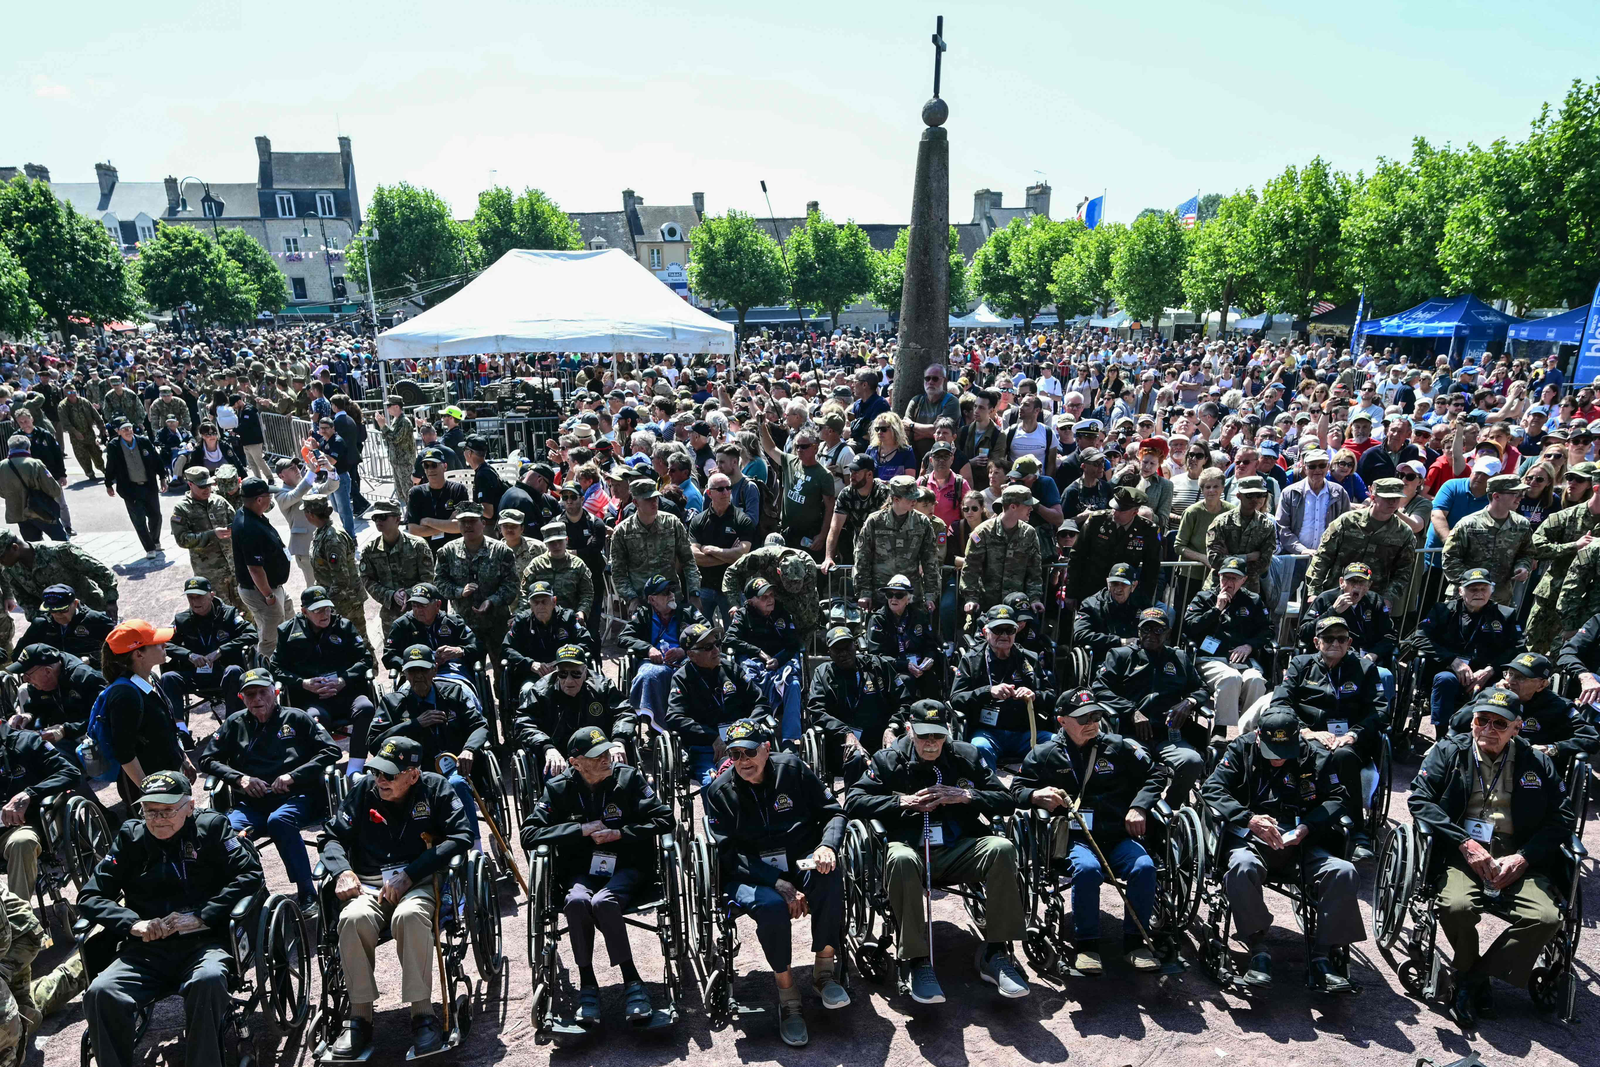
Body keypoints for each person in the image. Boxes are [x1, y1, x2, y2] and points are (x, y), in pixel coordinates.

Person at [1407, 688, 1575, 1028]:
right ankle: (1472, 973)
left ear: (1517, 728)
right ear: (1472, 722)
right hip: (1462, 855)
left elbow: (1563, 817)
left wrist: (1524, 858)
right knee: (1456, 907)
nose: (1489, 729)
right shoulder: (1448, 752)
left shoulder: (1537, 763)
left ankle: (1472, 977)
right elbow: (1420, 801)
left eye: (1500, 723)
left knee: (1546, 918)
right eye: (1483, 720)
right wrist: (1464, 843)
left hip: (1518, 857)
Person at [844, 700, 1029, 1004]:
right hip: (909, 850)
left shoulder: (967, 755)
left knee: (1002, 847)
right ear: (909, 730)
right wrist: (900, 802)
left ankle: (996, 953)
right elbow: (853, 801)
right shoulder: (887, 760)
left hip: (959, 848)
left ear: (948, 732)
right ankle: (917, 961)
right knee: (900, 857)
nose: (931, 744)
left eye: (938, 736)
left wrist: (966, 795)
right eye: (924, 736)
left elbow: (1006, 800)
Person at [79, 770, 265, 1067]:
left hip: (203, 945)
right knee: (102, 992)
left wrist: (203, 916)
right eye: (150, 811)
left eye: (167, 810)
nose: (157, 818)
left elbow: (250, 875)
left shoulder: (211, 828)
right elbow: (90, 896)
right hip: (146, 948)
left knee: (208, 979)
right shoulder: (130, 837)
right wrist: (132, 923)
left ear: (190, 806)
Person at [320, 736, 474, 1059]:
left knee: (411, 916)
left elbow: (462, 836)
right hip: (370, 885)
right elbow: (332, 837)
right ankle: (359, 1019)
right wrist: (342, 872)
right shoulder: (365, 791)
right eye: (377, 771)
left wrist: (413, 873)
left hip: (417, 882)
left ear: (413, 775)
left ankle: (422, 1016)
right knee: (351, 918)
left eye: (389, 775)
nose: (380, 780)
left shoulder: (435, 789)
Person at [703, 719, 849, 1046]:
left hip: (799, 859)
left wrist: (827, 846)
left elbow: (833, 813)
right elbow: (727, 855)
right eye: (735, 754)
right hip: (750, 872)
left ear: (766, 749)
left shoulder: (793, 769)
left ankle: (824, 974)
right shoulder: (719, 791)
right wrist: (778, 883)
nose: (743, 761)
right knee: (770, 906)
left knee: (828, 875)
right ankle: (788, 997)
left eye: (750, 752)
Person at [1202, 707, 1363, 994]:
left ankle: (1323, 956)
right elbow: (1213, 789)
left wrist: (1308, 828)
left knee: (1343, 871)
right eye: (1271, 750)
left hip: (1301, 844)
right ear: (1258, 737)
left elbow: (1338, 797)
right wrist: (1248, 818)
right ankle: (1258, 947)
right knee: (1240, 867)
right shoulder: (1240, 748)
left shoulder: (1313, 754)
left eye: (1284, 750)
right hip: (1250, 840)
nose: (1277, 758)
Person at [521, 725, 673, 1029]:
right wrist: (579, 830)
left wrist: (622, 833)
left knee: (605, 902)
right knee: (576, 901)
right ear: (575, 761)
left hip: (628, 867)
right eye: (596, 756)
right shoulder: (558, 788)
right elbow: (529, 833)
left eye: (606, 751)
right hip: (581, 870)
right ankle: (588, 985)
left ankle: (633, 981)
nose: (606, 758)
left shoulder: (627, 778)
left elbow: (664, 818)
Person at [1011, 692, 1170, 973]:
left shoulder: (1118, 746)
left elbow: (1157, 772)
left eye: (1096, 716)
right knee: (1086, 869)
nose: (1093, 722)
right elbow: (1016, 789)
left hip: (1117, 834)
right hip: (1075, 838)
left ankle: (1136, 943)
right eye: (1083, 718)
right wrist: (1036, 794)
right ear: (1062, 721)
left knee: (1144, 866)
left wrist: (1140, 806)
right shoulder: (1045, 753)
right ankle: (1087, 946)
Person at [1246, 615, 1388, 860]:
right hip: (1308, 735)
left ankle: (1356, 832)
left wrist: (1354, 734)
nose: (1335, 643)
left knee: (1342, 755)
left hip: (1350, 740)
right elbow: (1281, 702)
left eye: (1341, 639)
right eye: (1328, 638)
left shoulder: (1365, 668)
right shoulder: (1301, 664)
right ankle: (1302, 819)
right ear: (1316, 641)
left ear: (1349, 642)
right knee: (1306, 752)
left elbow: (1380, 710)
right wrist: (1306, 731)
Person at [196, 667, 339, 908]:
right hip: (252, 803)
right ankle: (253, 891)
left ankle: (307, 891)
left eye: (263, 692)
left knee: (279, 821)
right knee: (226, 830)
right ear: (242, 698)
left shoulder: (296, 718)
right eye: (250, 695)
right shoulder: (235, 723)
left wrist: (293, 776)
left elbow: (331, 750)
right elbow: (207, 760)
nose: (257, 699)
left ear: (275, 692)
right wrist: (239, 778)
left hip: (297, 797)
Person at [369, 645, 489, 844]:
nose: (418, 676)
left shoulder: (453, 693)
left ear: (434, 670)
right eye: (412, 671)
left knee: (458, 783)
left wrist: (469, 749)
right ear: (405, 674)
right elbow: (374, 743)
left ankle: (474, 846)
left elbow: (480, 726)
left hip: (455, 766)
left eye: (423, 670)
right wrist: (414, 724)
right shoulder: (392, 704)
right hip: (413, 773)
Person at [1092, 607, 1208, 804]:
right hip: (1131, 733)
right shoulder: (1121, 656)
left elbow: (1202, 689)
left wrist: (1189, 702)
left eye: (1157, 630)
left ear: (1168, 633)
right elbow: (1099, 689)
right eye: (1146, 630)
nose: (1151, 635)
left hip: (1169, 734)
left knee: (1192, 761)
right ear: (1138, 632)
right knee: (1135, 760)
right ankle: (1136, 808)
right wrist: (1131, 711)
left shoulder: (1178, 658)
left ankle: (1171, 808)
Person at [1410, 568, 1525, 746]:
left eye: (1483, 589)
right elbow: (1419, 637)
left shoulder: (1505, 615)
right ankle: (1442, 739)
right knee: (1444, 680)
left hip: (1488, 676)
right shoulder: (1443, 610)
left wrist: (1490, 669)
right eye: (1473, 589)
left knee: (1499, 691)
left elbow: (1518, 647)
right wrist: (1453, 661)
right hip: (1450, 672)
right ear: (1461, 591)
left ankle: (1481, 740)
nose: (1479, 593)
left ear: (1491, 591)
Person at [271, 586, 378, 774]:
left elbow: (366, 659)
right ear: (304, 611)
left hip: (345, 693)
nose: (325, 614)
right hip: (312, 698)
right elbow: (276, 668)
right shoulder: (287, 632)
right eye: (317, 610)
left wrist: (343, 679)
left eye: (327, 608)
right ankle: (324, 769)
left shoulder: (344, 627)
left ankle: (355, 769)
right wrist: (303, 683)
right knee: (314, 720)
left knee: (366, 708)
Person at [1447, 652, 1599, 771]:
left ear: (1541, 685)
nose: (1510, 681)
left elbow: (1591, 738)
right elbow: (1456, 722)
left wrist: (1553, 748)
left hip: (1529, 773)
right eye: (1509, 673)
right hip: (1484, 765)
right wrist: (1490, 700)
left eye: (1520, 677)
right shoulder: (1492, 694)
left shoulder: (1558, 707)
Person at [661, 622, 770, 786]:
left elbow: (760, 702)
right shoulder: (682, 678)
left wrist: (748, 727)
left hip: (745, 742)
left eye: (717, 644)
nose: (716, 650)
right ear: (691, 655)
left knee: (766, 776)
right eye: (707, 647)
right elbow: (674, 717)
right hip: (708, 748)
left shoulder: (731, 669)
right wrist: (712, 737)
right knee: (715, 785)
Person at [100, 621, 194, 808]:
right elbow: (124, 753)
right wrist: (149, 793)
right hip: (150, 793)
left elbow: (166, 726)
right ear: (138, 654)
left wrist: (183, 758)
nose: (164, 645)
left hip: (170, 779)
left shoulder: (151, 678)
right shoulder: (124, 695)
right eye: (157, 643)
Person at [951, 605, 1054, 772]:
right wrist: (988, 692)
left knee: (1056, 743)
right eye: (998, 630)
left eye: (1009, 630)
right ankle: (992, 793)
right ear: (985, 632)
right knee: (979, 747)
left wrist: (1034, 695)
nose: (1004, 635)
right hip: (988, 732)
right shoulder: (972, 660)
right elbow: (956, 699)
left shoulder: (1029, 658)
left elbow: (1051, 697)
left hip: (1025, 732)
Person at [513, 645, 634, 782]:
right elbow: (523, 723)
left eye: (575, 674)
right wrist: (546, 747)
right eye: (563, 674)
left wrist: (619, 740)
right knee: (554, 776)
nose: (569, 680)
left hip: (598, 750)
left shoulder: (602, 687)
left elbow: (625, 712)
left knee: (620, 773)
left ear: (585, 671)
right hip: (559, 753)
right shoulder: (541, 691)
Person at [1182, 556, 1273, 729]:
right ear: (1218, 576)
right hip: (1210, 658)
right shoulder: (1204, 598)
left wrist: (1250, 645)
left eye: (1234, 578)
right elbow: (1189, 628)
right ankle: (1224, 732)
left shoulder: (1252, 600)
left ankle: (1248, 732)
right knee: (1231, 678)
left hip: (1241, 659)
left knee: (1255, 681)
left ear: (1244, 580)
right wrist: (1216, 610)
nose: (1228, 582)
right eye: (1225, 577)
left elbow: (1268, 630)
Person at [806, 626, 904, 785]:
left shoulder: (877, 667)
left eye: (847, 647)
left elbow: (904, 701)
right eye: (837, 650)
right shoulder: (823, 673)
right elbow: (816, 711)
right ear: (829, 653)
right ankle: (856, 804)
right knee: (855, 757)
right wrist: (845, 733)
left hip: (881, 737)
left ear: (855, 646)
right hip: (842, 743)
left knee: (895, 754)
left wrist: (892, 727)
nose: (843, 653)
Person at [0, 712, 81, 902]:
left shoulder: (27, 742)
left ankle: (20, 923)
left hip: (22, 826)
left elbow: (70, 773)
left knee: (22, 843)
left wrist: (30, 793)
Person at [1305, 477, 1417, 613]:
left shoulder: (1404, 533)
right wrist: (1314, 592)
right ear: (1374, 497)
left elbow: (1403, 572)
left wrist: (1388, 597)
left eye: (1397, 498)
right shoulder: (1347, 522)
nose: (1393, 502)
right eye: (1388, 498)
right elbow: (1322, 557)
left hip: (1372, 599)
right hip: (1336, 594)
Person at [158, 577, 257, 727]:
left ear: (211, 595)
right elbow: (166, 644)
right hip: (195, 673)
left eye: (199, 597)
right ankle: (179, 729)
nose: (195, 601)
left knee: (234, 671)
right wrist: (189, 655)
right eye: (190, 597)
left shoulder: (229, 614)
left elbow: (251, 634)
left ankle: (233, 725)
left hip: (223, 671)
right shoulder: (182, 619)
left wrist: (221, 651)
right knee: (168, 677)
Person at [1297, 562, 1399, 706]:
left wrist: (1373, 655)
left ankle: (1381, 723)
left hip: (1365, 659)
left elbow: (1390, 636)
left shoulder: (1375, 601)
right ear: (1341, 582)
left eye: (1362, 582)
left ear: (1369, 585)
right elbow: (1303, 633)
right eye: (1352, 581)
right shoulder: (1326, 599)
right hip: (1330, 658)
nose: (1356, 587)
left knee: (1384, 676)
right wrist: (1332, 611)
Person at [726, 577, 806, 747]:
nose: (770, 600)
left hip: (779, 661)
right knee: (748, 678)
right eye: (764, 597)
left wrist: (779, 659)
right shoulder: (743, 614)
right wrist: (758, 652)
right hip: (753, 661)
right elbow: (729, 639)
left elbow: (795, 644)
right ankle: (754, 730)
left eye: (771, 595)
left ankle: (790, 740)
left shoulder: (781, 612)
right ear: (751, 601)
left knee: (794, 683)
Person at [1063, 485, 1162, 611]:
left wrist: (1144, 601)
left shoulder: (1148, 530)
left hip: (1125, 594)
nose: (1115, 512)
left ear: (1134, 512)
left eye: (1121, 510)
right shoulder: (1096, 521)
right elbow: (1077, 557)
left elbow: (1151, 570)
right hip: (1092, 590)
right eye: (1114, 507)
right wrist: (1071, 593)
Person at [853, 475, 942, 611]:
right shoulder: (875, 522)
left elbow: (930, 560)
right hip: (881, 593)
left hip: (911, 595)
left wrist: (930, 595)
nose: (914, 501)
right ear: (896, 499)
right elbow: (862, 558)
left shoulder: (922, 522)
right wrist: (864, 592)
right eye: (910, 498)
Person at [1442, 474, 1534, 605]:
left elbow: (1526, 553)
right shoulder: (1468, 524)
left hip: (1500, 598)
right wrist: (1473, 584)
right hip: (1465, 598)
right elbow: (1450, 558)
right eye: (1515, 493)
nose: (1521, 497)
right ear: (1496, 496)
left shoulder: (1522, 525)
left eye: (1522, 493)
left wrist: (1523, 567)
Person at [231, 478, 293, 661]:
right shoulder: (248, 527)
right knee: (270, 640)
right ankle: (265, 678)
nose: (271, 498)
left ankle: (290, 659)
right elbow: (255, 569)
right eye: (268, 495)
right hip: (262, 592)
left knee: (289, 621)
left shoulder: (251, 515)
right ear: (259, 500)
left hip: (272, 588)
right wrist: (269, 596)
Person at [7, 643, 105, 757]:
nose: (24, 679)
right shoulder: (43, 680)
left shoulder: (86, 678)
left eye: (28, 674)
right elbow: (36, 703)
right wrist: (28, 715)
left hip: (90, 737)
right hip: (61, 733)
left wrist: (64, 730)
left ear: (48, 671)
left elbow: (103, 718)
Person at [0, 529, 119, 621]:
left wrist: (111, 602)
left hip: (94, 611)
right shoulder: (10, 571)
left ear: (15, 548)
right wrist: (42, 621)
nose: (1, 562)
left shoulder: (60, 552)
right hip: (60, 623)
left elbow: (101, 572)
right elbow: (26, 601)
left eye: (1, 557)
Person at [170, 467, 245, 613]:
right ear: (190, 484)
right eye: (202, 486)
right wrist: (211, 535)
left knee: (246, 609)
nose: (207, 489)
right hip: (210, 572)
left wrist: (235, 529)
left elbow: (237, 521)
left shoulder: (219, 501)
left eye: (209, 485)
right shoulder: (181, 509)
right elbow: (182, 539)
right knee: (220, 611)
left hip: (234, 567)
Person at [359, 499, 437, 638]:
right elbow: (367, 580)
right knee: (393, 656)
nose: (378, 521)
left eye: (383, 516)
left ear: (397, 519)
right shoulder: (369, 550)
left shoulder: (418, 545)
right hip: (390, 616)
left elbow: (428, 578)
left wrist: (408, 594)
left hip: (419, 612)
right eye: (375, 517)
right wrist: (390, 595)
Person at [304, 495, 373, 649]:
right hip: (337, 599)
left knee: (358, 641)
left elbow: (341, 579)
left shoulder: (332, 538)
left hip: (347, 601)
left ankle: (370, 670)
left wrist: (325, 602)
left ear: (311, 514)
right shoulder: (322, 532)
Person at [688, 471, 755, 625]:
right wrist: (729, 556)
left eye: (728, 488)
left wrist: (712, 550)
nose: (725, 492)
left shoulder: (742, 520)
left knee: (734, 635)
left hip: (732, 589)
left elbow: (742, 555)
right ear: (709, 493)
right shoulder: (698, 520)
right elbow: (695, 556)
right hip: (705, 587)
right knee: (700, 633)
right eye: (720, 489)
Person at [864, 573, 942, 699]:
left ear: (908, 599)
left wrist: (929, 658)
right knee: (905, 680)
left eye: (899, 595)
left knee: (931, 679)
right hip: (892, 668)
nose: (893, 599)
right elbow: (876, 656)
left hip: (918, 666)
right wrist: (905, 665)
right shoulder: (878, 620)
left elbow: (930, 644)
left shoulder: (919, 616)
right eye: (890, 595)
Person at [381, 582, 482, 678]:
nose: (417, 610)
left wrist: (460, 651)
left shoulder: (453, 622)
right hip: (415, 676)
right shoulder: (402, 625)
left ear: (437, 605)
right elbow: (388, 656)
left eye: (422, 606)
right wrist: (412, 662)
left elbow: (478, 647)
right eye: (414, 605)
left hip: (452, 673)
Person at [103, 419, 165, 557]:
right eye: (124, 429)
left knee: (156, 516)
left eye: (130, 428)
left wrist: (162, 478)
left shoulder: (143, 441)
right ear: (118, 432)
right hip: (130, 489)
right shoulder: (114, 446)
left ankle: (155, 541)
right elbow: (111, 465)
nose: (128, 431)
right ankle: (149, 548)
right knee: (139, 520)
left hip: (149, 486)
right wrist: (108, 484)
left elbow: (156, 460)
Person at [274, 456, 339, 585]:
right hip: (305, 548)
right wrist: (311, 472)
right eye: (291, 468)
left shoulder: (309, 486)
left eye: (297, 466)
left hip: (325, 541)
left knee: (334, 581)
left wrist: (330, 469)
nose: (297, 469)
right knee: (315, 586)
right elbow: (296, 494)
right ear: (282, 476)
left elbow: (331, 487)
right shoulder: (280, 494)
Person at [17, 583, 114, 661]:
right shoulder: (42, 623)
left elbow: (117, 649)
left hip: (91, 673)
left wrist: (91, 659)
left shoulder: (96, 620)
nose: (58, 615)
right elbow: (18, 653)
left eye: (63, 610)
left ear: (75, 604)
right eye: (53, 611)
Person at [0, 434, 65, 542]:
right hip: (41, 510)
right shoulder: (35, 464)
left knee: (33, 548)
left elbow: (2, 492)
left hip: (18, 513)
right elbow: (54, 490)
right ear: (28, 448)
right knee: (61, 542)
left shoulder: (2, 465)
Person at [406, 449, 469, 552]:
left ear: (445, 466)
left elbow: (461, 526)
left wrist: (428, 521)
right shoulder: (416, 493)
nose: (430, 469)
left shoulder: (458, 490)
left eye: (434, 465)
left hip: (453, 551)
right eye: (426, 466)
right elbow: (413, 530)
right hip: (426, 551)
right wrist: (448, 524)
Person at [1073, 563, 1143, 656]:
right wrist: (1119, 641)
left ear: (1133, 586)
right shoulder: (1091, 604)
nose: (1118, 589)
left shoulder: (1141, 603)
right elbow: (1080, 634)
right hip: (1104, 656)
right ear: (1108, 583)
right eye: (1114, 583)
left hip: (1135, 655)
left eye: (1123, 584)